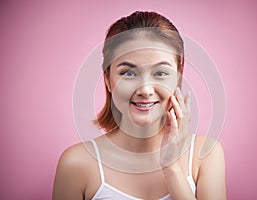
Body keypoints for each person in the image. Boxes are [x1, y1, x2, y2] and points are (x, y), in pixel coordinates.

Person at [53, 11, 226, 200]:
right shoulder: (76, 163)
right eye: (128, 73)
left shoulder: (205, 154)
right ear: (108, 79)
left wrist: (172, 168)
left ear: (178, 77)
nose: (145, 89)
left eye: (160, 73)